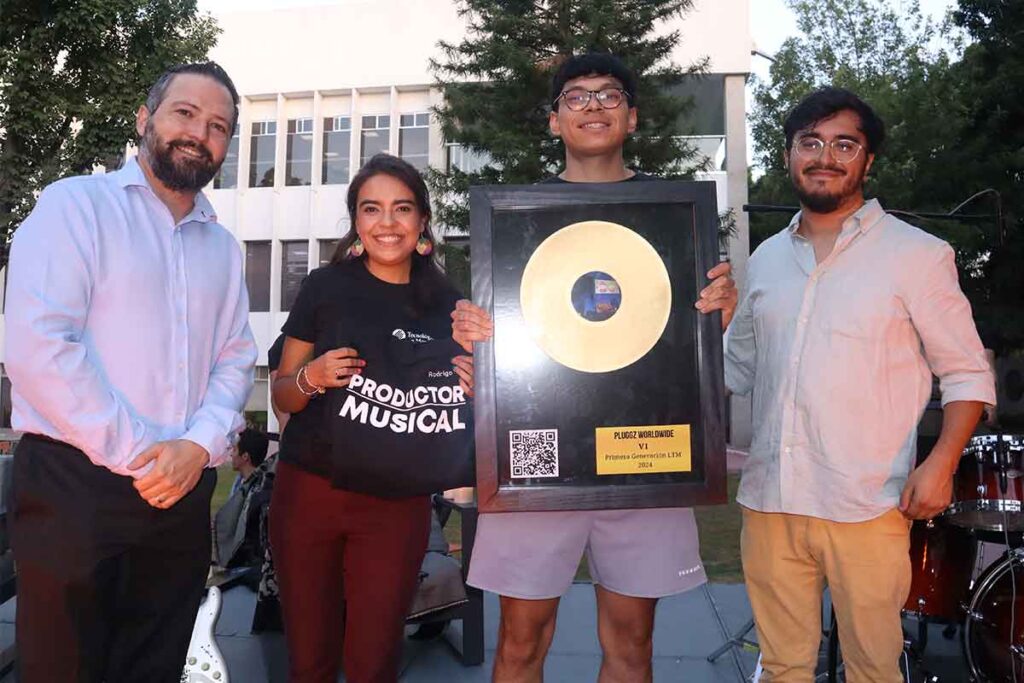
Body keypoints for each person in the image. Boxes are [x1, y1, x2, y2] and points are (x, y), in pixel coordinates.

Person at [451, 52, 738, 683]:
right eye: (576, 98)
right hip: (533, 461)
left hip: (649, 459)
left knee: (632, 645)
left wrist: (718, 312)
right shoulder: (515, 216)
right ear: (554, 121)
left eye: (609, 96)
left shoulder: (676, 218)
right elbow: (497, 331)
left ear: (632, 117)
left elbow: (693, 341)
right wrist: (476, 338)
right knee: (521, 645)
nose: (594, 108)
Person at [724, 87, 996, 681]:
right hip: (769, 499)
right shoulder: (765, 259)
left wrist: (942, 462)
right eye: (810, 142)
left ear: (867, 160)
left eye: (844, 144)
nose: (826, 156)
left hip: (867, 503)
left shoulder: (917, 255)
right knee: (781, 668)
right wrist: (705, 322)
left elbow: (967, 371)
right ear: (789, 154)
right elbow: (735, 368)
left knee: (873, 668)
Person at [5, 62, 257, 682]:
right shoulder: (75, 207)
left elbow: (236, 358)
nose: (199, 132)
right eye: (185, 113)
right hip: (74, 488)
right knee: (63, 670)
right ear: (145, 120)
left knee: (155, 663)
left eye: (218, 125)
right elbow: (39, 345)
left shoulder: (223, 249)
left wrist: (196, 447)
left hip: (180, 495)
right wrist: (150, 454)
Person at [269, 153, 473, 683]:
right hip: (310, 494)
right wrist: (312, 377)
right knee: (309, 662)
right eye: (372, 209)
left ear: (422, 221)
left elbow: (466, 402)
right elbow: (282, 396)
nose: (387, 223)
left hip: (396, 506)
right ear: (356, 221)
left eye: (402, 208)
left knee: (374, 662)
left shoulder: (451, 304)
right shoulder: (324, 286)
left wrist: (479, 387)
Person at [214, 428, 272, 572]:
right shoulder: (240, 483)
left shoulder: (259, 494)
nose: (231, 453)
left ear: (245, 456)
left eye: (234, 449)